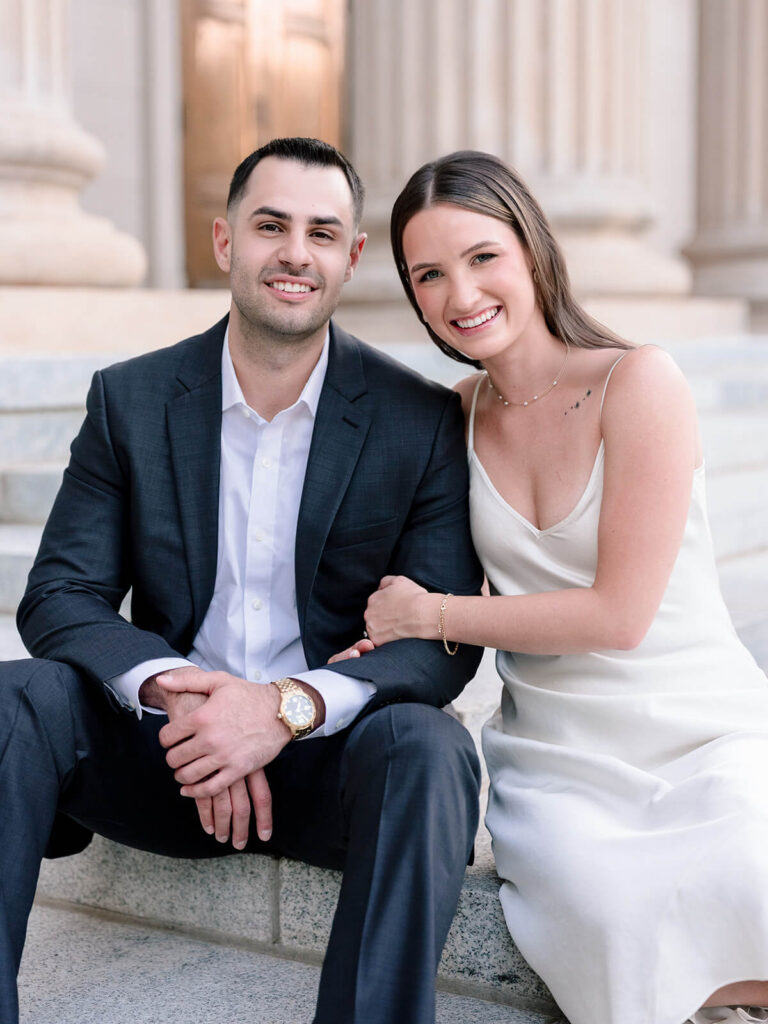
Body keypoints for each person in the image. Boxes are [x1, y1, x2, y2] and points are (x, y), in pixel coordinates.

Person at [1, 137, 485, 1024]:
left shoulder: (420, 421)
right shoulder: (132, 398)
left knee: (432, 747)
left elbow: (440, 650)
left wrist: (280, 709)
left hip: (327, 762)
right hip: (167, 754)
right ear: (227, 242)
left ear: (351, 257)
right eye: (271, 226)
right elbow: (60, 593)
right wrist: (182, 695)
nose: (295, 252)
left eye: (320, 232)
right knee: (13, 700)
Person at [355, 150, 768, 1024]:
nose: (460, 295)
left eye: (482, 258)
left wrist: (431, 613)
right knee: (606, 909)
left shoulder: (639, 381)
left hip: (700, 728)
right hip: (559, 760)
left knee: (748, 869)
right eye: (428, 274)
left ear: (532, 251)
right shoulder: (454, 417)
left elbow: (620, 616)